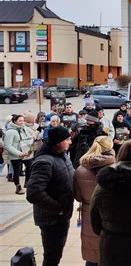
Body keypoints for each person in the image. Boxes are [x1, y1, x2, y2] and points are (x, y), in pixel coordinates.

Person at [26, 126, 74, 266]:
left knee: (56, 253)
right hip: (52, 219)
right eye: (67, 139)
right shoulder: (45, 161)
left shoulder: (62, 156)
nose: (70, 142)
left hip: (62, 215)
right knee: (52, 256)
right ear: (59, 142)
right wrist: (57, 208)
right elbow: (34, 193)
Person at [73, 136, 115, 266]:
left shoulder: (80, 170)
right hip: (111, 214)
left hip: (88, 213)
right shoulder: (116, 169)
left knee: (91, 254)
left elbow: (77, 196)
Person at [4, 114, 34, 194]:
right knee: (17, 171)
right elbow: (7, 145)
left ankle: (27, 183)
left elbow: (30, 137)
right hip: (16, 155)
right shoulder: (10, 132)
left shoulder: (24, 129)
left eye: (23, 120)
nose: (22, 122)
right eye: (20, 121)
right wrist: (19, 153)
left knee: (30, 166)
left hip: (26, 153)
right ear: (14, 121)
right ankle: (18, 186)